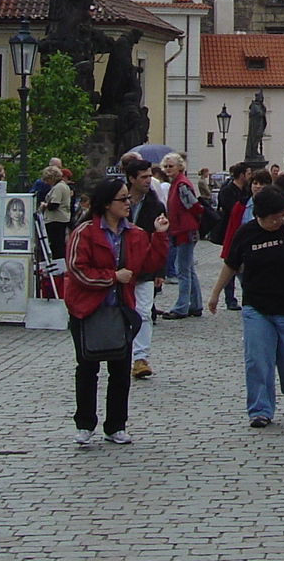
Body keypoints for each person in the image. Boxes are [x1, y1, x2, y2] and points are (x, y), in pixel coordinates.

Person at [208, 184, 284, 429]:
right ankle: (260, 410)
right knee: (257, 360)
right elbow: (231, 264)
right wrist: (215, 294)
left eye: (282, 215)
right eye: (274, 218)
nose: (279, 221)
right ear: (260, 216)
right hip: (256, 307)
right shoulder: (246, 234)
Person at [63, 175, 169, 446]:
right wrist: (112, 277)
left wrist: (159, 236)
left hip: (120, 310)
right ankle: (85, 424)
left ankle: (116, 425)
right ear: (107, 204)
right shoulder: (84, 232)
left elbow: (149, 263)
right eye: (122, 199)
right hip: (88, 311)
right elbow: (77, 269)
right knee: (87, 367)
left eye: (128, 199)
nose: (128, 203)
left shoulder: (134, 233)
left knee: (120, 370)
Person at [121, 155, 168, 378]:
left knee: (143, 312)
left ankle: (140, 358)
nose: (149, 180)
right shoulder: (118, 202)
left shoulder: (155, 205)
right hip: (121, 268)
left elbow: (161, 237)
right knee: (121, 312)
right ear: (131, 179)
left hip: (146, 267)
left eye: (150, 176)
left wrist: (160, 270)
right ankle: (121, 353)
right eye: (144, 177)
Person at [160, 154, 204, 319]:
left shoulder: (180, 185)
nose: (168, 169)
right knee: (187, 269)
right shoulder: (177, 183)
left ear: (179, 167)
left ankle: (182, 307)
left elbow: (193, 205)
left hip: (184, 229)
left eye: (171, 166)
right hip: (182, 228)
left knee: (183, 270)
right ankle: (195, 304)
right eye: (166, 166)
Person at [213, 162, 255, 311]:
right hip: (231, 231)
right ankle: (230, 299)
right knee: (231, 264)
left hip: (242, 232)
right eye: (248, 174)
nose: (250, 177)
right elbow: (230, 210)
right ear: (242, 175)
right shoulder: (228, 190)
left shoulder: (245, 190)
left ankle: (247, 295)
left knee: (242, 268)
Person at [41, 167, 73, 262]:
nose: (46, 183)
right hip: (63, 218)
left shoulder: (58, 188)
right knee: (59, 244)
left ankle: (58, 266)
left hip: (56, 219)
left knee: (56, 245)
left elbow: (54, 204)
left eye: (47, 180)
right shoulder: (64, 185)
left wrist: (44, 205)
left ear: (51, 178)